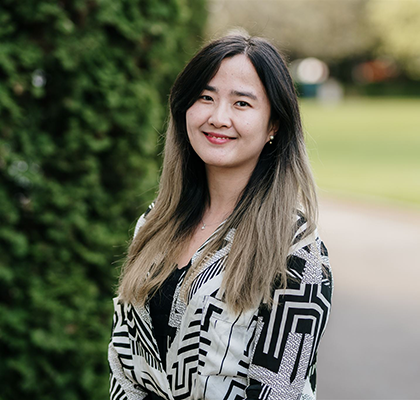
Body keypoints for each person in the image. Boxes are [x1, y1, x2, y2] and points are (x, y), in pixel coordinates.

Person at [108, 35, 332, 400]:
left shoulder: (296, 251)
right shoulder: (152, 225)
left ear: (273, 124)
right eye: (205, 98)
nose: (218, 117)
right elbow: (122, 367)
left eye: (241, 103)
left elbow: (278, 392)